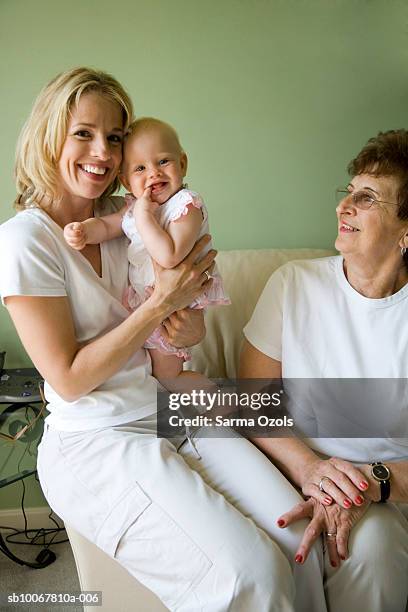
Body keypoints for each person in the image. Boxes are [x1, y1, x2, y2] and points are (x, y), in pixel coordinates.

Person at [0, 67, 327, 612]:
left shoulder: (127, 218)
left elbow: (178, 322)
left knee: (299, 543)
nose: (101, 152)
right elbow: (70, 378)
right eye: (83, 132)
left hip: (169, 406)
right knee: (254, 576)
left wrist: (188, 323)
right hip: (100, 439)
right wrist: (161, 304)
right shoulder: (24, 241)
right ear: (49, 134)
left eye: (114, 136)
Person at [240, 129, 408, 612]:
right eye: (348, 192)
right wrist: (312, 471)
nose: (344, 207)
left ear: (405, 230)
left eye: (368, 198)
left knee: (370, 551)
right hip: (295, 470)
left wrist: (367, 485)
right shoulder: (294, 284)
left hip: (388, 487)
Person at [63, 117, 230, 385]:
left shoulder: (186, 206)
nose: (154, 173)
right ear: (127, 181)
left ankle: (229, 411)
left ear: (182, 164)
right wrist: (83, 230)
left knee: (169, 375)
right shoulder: (133, 209)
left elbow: (170, 255)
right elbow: (108, 227)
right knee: (158, 375)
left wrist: (143, 216)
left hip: (179, 307)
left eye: (163, 161)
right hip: (152, 303)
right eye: (140, 168)